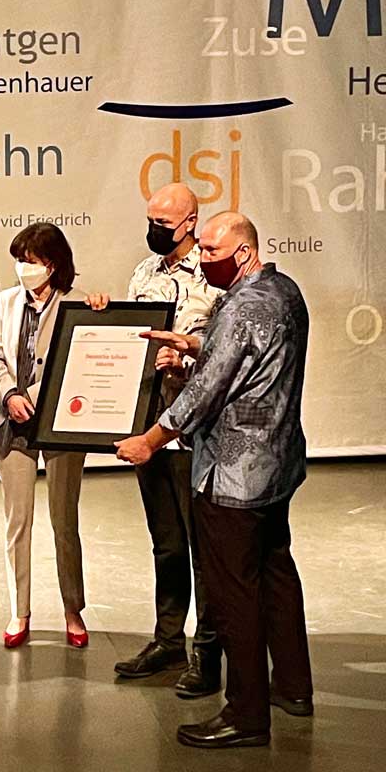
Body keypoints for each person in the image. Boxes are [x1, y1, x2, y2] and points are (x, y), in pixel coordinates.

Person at [117, 211, 313, 750]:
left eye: (210, 251)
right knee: (275, 570)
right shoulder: (283, 290)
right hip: (277, 464)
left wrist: (150, 441)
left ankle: (245, 714)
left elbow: (205, 393)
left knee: (234, 594)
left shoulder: (242, 306)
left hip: (234, 476)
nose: (203, 260)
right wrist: (193, 344)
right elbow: (251, 357)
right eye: (199, 250)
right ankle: (294, 686)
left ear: (244, 252)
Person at [113, 183, 222, 697]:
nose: (154, 228)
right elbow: (127, 336)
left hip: (197, 430)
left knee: (205, 547)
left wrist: (186, 356)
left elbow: (227, 356)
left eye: (164, 220)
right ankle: (168, 638)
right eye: (150, 218)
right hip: (150, 427)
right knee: (166, 542)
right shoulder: (143, 273)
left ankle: (210, 651)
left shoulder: (215, 278)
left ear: (190, 222)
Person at [0, 222, 107, 649]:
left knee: (63, 520)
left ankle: (73, 610)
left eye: (31, 262)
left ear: (52, 265)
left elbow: (72, 364)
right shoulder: (7, 301)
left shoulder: (75, 306)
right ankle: (20, 610)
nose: (23, 269)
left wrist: (34, 395)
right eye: (19, 261)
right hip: (12, 421)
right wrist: (10, 394)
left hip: (59, 424)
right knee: (17, 522)